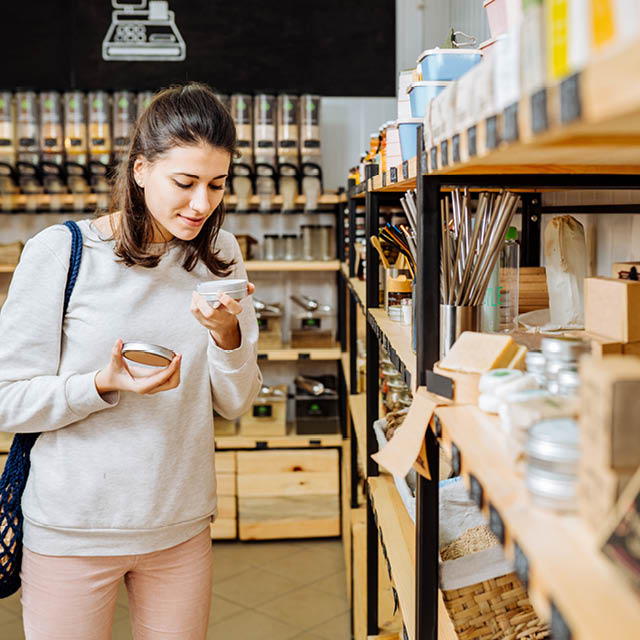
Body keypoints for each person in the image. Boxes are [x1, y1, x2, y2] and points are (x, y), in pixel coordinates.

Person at [0, 83, 262, 639]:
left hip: (180, 526)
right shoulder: (62, 253)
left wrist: (227, 337)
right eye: (185, 183)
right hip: (73, 531)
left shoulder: (220, 258)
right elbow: (7, 400)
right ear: (140, 170)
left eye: (217, 185)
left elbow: (237, 403)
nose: (201, 204)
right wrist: (100, 384)